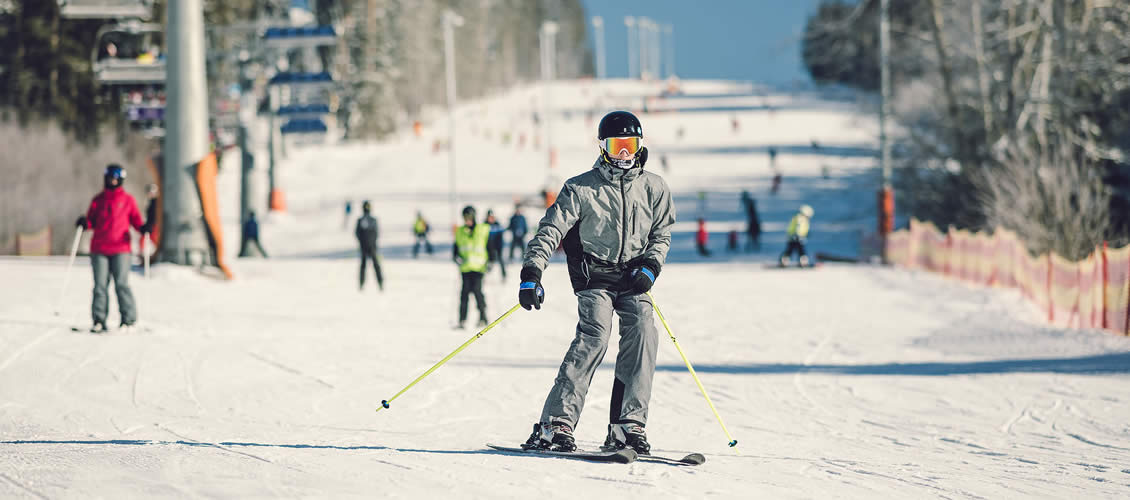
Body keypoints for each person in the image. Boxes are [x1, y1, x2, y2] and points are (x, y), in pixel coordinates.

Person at [518, 110, 675, 455]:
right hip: (595, 276)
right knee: (595, 334)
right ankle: (555, 423)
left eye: (630, 145)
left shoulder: (654, 188)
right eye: (617, 145)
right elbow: (550, 230)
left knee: (644, 331)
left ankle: (626, 426)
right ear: (603, 146)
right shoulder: (581, 188)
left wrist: (651, 265)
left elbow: (661, 233)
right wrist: (532, 274)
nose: (624, 154)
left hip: (634, 276)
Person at [75, 165, 144, 333]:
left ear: (120, 180)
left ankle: (128, 320)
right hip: (100, 248)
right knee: (100, 285)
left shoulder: (127, 200)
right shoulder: (98, 200)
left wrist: (144, 228)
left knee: (121, 284)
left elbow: (136, 220)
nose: (112, 181)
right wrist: (85, 223)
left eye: (116, 178)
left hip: (121, 248)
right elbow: (92, 221)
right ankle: (99, 320)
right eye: (110, 178)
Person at [454, 205, 490, 328]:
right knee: (464, 294)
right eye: (465, 218)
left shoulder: (483, 229)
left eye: (469, 217)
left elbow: (490, 247)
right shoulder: (460, 231)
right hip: (465, 268)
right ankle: (462, 320)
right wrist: (456, 257)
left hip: (479, 268)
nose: (467, 220)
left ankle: (483, 317)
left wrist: (491, 261)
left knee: (477, 292)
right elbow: (456, 249)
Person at [356, 201, 384, 291]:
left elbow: (357, 233)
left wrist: (362, 242)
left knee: (365, 266)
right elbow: (376, 233)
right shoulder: (372, 220)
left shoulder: (361, 220)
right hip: (371, 246)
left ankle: (362, 284)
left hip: (365, 247)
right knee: (375, 266)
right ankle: (380, 283)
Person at [485, 210, 507, 280]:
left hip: (497, 247)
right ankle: (484, 275)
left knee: (501, 260)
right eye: (489, 217)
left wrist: (499, 247)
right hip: (488, 247)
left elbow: (501, 237)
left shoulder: (497, 225)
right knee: (488, 262)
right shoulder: (484, 225)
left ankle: (504, 275)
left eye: (492, 217)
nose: (491, 219)